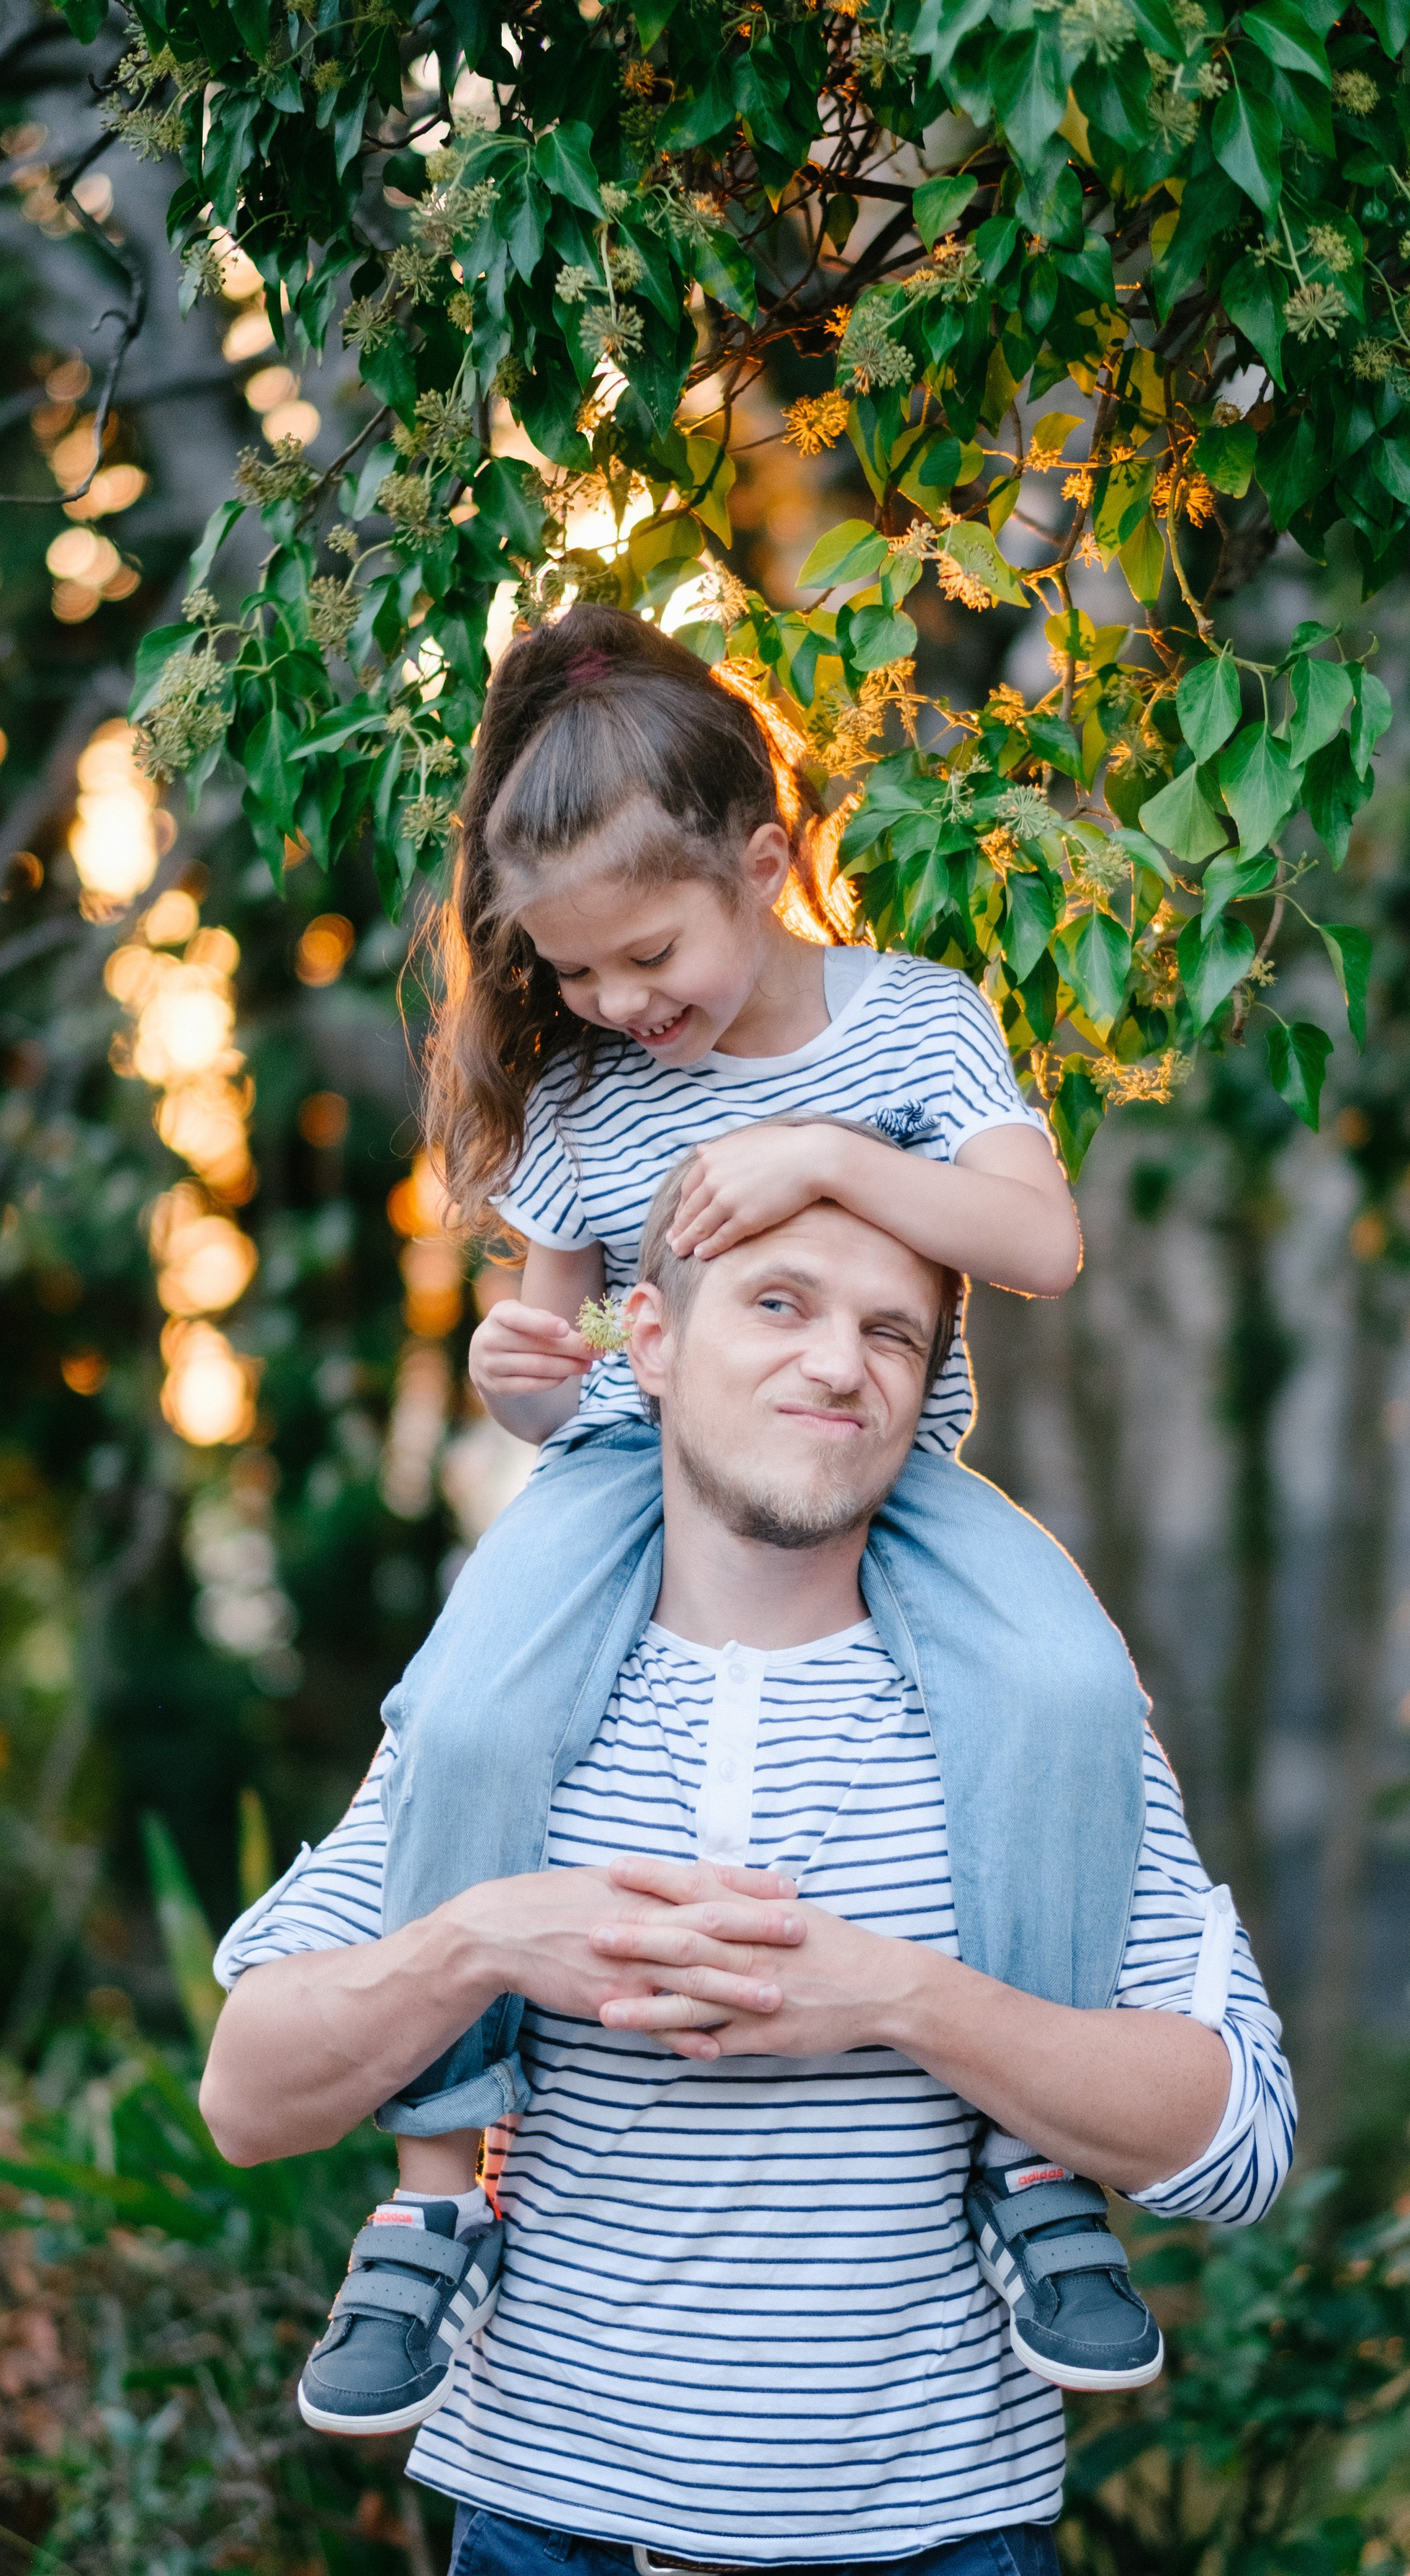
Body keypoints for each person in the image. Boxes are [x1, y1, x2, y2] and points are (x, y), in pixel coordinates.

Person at [200, 1180, 1295, 2576]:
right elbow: (247, 2092)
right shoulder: (504, 1713)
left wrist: (897, 2000)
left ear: (927, 1393)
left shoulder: (1032, 1724)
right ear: (646, 1337)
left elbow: (1239, 2138)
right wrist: (492, 1938)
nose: (839, 1364)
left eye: (891, 1334)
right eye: (780, 1304)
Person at [298, 605, 1169, 2418]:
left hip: (888, 1475)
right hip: (634, 1480)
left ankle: (1031, 2163)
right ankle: (435, 2190)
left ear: (762, 864)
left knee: (1068, 1698)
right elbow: (546, 1347)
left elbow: (1042, 1243)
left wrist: (830, 1159)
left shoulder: (912, 1023)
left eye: (645, 952)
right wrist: (521, 1378)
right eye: (575, 974)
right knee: (464, 1710)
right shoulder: (596, 1096)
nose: (618, 1004)